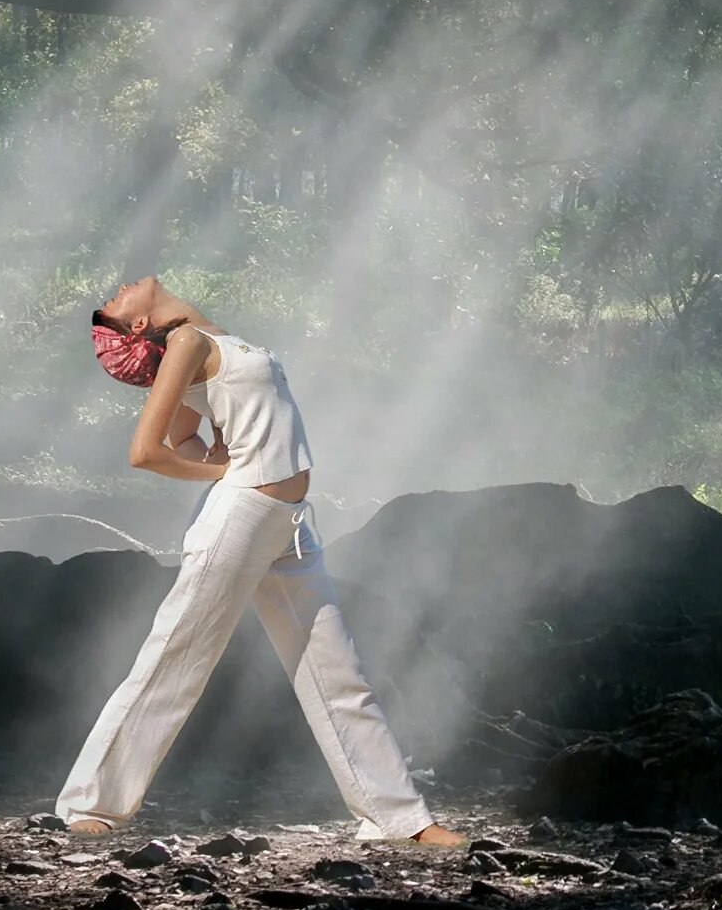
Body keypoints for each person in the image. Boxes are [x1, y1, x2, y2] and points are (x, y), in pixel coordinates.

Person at [55, 275, 461, 845]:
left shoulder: (209, 338)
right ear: (139, 325)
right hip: (239, 517)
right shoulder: (186, 344)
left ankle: (398, 818)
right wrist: (220, 471)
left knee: (337, 672)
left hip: (288, 525)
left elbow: (185, 437)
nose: (120, 288)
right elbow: (147, 451)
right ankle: (89, 804)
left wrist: (213, 454)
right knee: (176, 657)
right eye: (115, 302)